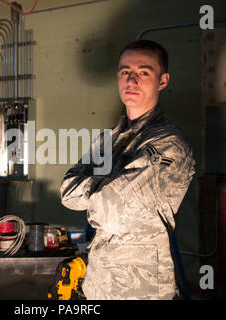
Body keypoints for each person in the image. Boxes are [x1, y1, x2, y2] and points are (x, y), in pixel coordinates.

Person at [60, 40, 196, 300]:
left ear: (163, 81)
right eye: (125, 72)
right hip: (99, 281)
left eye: (144, 72)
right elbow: (66, 191)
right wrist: (107, 188)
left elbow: (111, 212)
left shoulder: (168, 143)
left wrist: (96, 186)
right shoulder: (110, 138)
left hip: (140, 287)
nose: (131, 80)